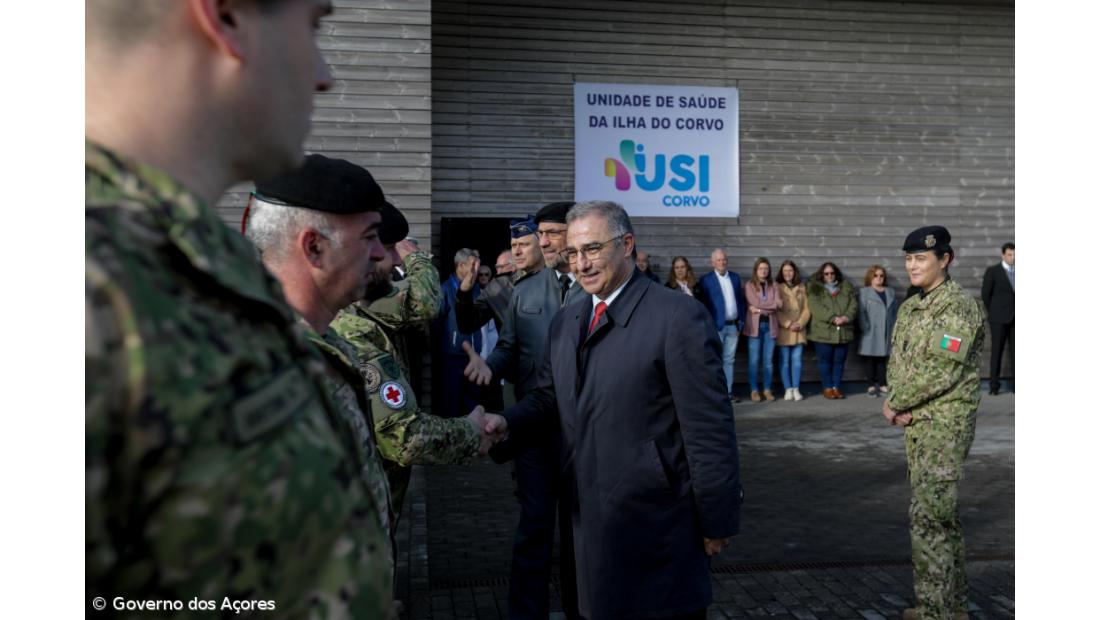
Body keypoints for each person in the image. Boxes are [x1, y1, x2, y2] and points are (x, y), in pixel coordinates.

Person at [85, 2, 395, 616]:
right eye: (311, 25)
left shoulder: (193, 265)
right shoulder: (94, 280)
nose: (323, 73)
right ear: (224, 16)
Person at [487, 201, 743, 620]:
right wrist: (504, 423)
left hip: (657, 528)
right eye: (573, 253)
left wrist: (717, 519)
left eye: (592, 249)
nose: (581, 264)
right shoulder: (567, 321)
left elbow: (709, 430)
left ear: (626, 244)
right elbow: (549, 398)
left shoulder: (678, 318)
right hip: (586, 524)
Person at [292, 194, 502, 518]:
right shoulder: (350, 333)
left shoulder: (364, 307)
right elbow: (404, 437)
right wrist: (471, 433)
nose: (390, 259)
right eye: (376, 243)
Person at [463, 201, 584, 620]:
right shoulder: (525, 289)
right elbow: (510, 347)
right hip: (534, 426)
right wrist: (488, 366)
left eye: (551, 234)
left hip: (587, 432)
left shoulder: (597, 286)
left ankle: (581, 608)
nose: (543, 241)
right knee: (534, 528)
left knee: (581, 533)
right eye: (541, 234)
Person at [882, 226, 985, 620]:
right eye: (908, 258)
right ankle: (953, 607)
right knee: (942, 518)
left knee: (928, 519)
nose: (912, 265)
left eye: (921, 258)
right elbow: (903, 363)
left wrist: (895, 403)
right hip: (918, 423)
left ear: (946, 259)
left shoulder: (958, 308)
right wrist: (900, 402)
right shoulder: (912, 306)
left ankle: (934, 611)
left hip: (944, 427)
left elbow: (942, 370)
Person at [435, 248, 483, 417]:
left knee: (473, 405)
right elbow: (437, 322)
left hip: (475, 359)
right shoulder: (446, 289)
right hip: (452, 358)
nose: (477, 269)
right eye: (473, 265)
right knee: (451, 405)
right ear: (461, 265)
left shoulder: (477, 290)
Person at [698, 249, 748, 402]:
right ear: (713, 262)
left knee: (729, 360)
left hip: (733, 326)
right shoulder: (706, 280)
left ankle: (728, 392)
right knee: (715, 360)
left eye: (724, 259)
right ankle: (715, 393)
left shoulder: (734, 277)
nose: (722, 262)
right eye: (718, 260)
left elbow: (740, 301)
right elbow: (703, 304)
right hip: (716, 327)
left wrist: (741, 323)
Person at [807, 262, 857, 399]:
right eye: (826, 273)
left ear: (836, 274)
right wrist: (833, 318)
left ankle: (836, 387)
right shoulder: (815, 289)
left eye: (832, 273)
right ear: (822, 275)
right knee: (825, 361)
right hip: (823, 332)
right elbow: (815, 307)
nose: (829, 276)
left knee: (839, 361)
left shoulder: (846, 288)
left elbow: (853, 305)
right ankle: (827, 387)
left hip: (843, 331)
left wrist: (846, 317)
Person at [858, 265, 900, 397]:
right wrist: (865, 327)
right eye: (876, 275)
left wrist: (894, 328)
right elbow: (861, 311)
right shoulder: (864, 292)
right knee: (870, 358)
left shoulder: (890, 292)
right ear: (870, 277)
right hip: (871, 329)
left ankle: (882, 384)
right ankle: (871, 385)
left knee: (883, 358)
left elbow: (894, 312)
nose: (879, 278)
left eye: (881, 275)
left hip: (886, 330)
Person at [743, 257, 781, 402]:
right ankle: (754, 390)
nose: (764, 271)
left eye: (766, 268)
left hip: (770, 327)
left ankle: (767, 389)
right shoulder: (749, 285)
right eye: (761, 268)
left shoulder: (774, 285)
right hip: (755, 328)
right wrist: (767, 306)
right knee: (754, 360)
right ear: (756, 270)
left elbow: (777, 305)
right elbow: (753, 302)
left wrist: (758, 309)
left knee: (768, 361)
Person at [981, 242, 1014, 395]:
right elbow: (985, 295)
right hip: (998, 319)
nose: (1013, 258)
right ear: (1003, 255)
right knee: (997, 352)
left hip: (1016, 318)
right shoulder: (993, 271)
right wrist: (993, 313)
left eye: (1015, 255)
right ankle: (994, 386)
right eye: (1010, 254)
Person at [776, 260, 810, 401]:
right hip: (785, 329)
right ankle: (787, 389)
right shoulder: (777, 287)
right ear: (781, 273)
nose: (788, 273)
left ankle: (796, 388)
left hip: (799, 329)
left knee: (797, 360)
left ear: (794, 272)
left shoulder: (802, 287)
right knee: (784, 361)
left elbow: (807, 309)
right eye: (785, 271)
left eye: (790, 270)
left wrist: (800, 323)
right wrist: (788, 323)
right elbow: (776, 310)